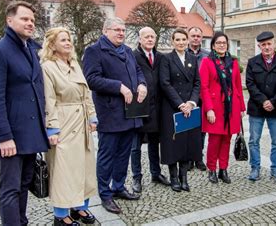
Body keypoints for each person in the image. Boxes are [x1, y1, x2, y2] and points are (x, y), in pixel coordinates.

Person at [0, 0, 49, 225]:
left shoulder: (32, 49)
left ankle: (21, 221)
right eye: (24, 19)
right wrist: (4, 136)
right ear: (9, 20)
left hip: (31, 133)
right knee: (10, 189)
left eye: (32, 20)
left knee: (24, 184)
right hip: (11, 135)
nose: (30, 23)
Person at [83, 17, 147, 214]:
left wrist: (142, 84)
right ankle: (105, 193)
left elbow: (137, 71)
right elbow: (91, 79)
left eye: (123, 30)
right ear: (105, 31)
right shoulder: (94, 51)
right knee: (107, 155)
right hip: (110, 113)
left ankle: (118, 187)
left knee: (123, 154)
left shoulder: (127, 51)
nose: (121, 33)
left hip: (130, 113)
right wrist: (118, 87)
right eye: (116, 30)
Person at [39, 27, 98, 226]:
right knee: (64, 171)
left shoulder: (74, 63)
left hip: (81, 123)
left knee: (85, 168)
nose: (68, 43)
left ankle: (80, 207)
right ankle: (61, 214)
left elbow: (86, 92)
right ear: (52, 44)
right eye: (63, 40)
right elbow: (49, 99)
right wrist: (52, 128)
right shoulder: (48, 67)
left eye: (69, 39)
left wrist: (92, 116)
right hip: (64, 123)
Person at [199, 32, 245, 184]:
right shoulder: (207, 62)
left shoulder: (233, 62)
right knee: (214, 140)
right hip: (215, 107)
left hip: (232, 106)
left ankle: (223, 169)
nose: (221, 45)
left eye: (224, 43)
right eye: (218, 43)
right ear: (213, 45)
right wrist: (209, 109)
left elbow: (238, 86)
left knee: (227, 139)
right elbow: (203, 87)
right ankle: (211, 168)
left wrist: (241, 107)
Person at [159, 28, 201, 192]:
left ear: (187, 41)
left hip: (189, 108)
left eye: (184, 39)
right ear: (172, 41)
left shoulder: (192, 58)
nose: (181, 42)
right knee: (173, 143)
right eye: (178, 39)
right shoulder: (166, 59)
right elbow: (165, 83)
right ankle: (174, 177)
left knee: (187, 143)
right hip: (172, 107)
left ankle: (184, 178)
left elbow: (197, 82)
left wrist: (191, 102)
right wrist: (180, 104)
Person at [130, 27, 170, 193]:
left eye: (152, 37)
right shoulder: (132, 56)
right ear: (140, 39)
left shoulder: (160, 57)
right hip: (138, 105)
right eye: (146, 37)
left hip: (157, 106)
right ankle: (136, 177)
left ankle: (156, 173)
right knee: (136, 145)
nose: (150, 39)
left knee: (155, 143)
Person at [246, 31, 276, 182]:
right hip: (256, 109)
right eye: (263, 44)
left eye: (269, 43)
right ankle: (255, 168)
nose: (266, 47)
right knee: (253, 140)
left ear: (274, 44)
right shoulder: (253, 62)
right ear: (259, 46)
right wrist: (264, 101)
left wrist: (273, 101)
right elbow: (250, 85)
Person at [186, 26, 209, 171]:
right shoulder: (181, 53)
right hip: (187, 98)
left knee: (201, 130)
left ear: (201, 38)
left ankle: (198, 157)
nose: (195, 38)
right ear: (188, 37)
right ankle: (188, 158)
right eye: (193, 35)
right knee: (187, 129)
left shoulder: (207, 55)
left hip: (203, 97)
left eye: (198, 36)